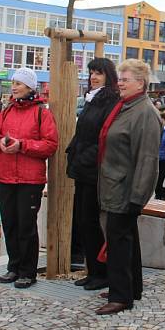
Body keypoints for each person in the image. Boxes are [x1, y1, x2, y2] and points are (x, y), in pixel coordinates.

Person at [94, 59, 161, 315]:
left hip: (125, 189)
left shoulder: (144, 112)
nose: (119, 82)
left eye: (125, 79)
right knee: (125, 240)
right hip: (115, 185)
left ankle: (121, 296)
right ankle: (130, 287)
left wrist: (137, 197)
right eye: (119, 78)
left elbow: (147, 159)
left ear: (140, 83)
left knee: (119, 242)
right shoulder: (126, 107)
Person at [0, 67, 58, 289]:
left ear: (30, 87)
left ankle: (28, 271)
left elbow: (50, 144)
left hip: (30, 179)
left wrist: (23, 145)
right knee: (9, 223)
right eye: (14, 83)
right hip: (6, 176)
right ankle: (14, 266)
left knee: (26, 225)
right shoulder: (6, 111)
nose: (14, 87)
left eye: (18, 83)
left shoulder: (41, 113)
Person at [66, 57, 119, 292]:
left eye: (98, 73)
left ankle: (102, 272)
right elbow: (84, 132)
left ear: (109, 76)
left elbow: (105, 138)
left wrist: (85, 157)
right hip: (83, 168)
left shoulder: (110, 101)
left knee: (92, 222)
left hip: (95, 170)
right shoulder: (92, 100)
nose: (93, 77)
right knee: (84, 221)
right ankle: (93, 270)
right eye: (91, 73)